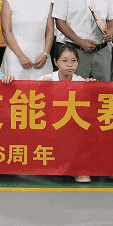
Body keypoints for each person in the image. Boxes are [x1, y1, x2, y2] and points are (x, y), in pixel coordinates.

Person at [38, 43, 95, 183]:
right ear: (55, 62)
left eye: (74, 61)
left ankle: (77, 169)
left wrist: (92, 88)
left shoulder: (81, 81)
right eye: (65, 61)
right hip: (50, 125)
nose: (70, 65)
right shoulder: (45, 80)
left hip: (73, 125)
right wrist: (41, 88)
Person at [0, 0, 53, 81]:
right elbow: (6, 31)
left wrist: (45, 53)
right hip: (15, 57)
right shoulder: (9, 0)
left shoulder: (47, 0)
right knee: (15, 91)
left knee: (43, 90)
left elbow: (50, 30)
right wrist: (20, 56)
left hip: (41, 58)